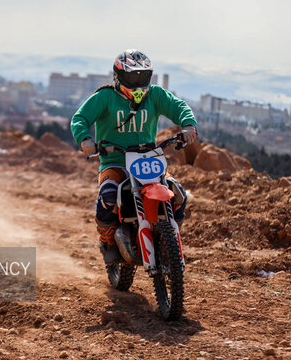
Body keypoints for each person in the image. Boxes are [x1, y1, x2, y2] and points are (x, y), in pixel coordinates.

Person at [71, 49, 197, 265]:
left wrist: (188, 125)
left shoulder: (155, 94)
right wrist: (86, 140)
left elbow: (178, 106)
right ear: (118, 76)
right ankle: (108, 243)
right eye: (132, 76)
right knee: (108, 197)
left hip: (149, 160)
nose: (138, 81)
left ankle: (168, 240)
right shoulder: (105, 97)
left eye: (143, 76)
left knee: (179, 195)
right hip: (115, 161)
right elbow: (80, 118)